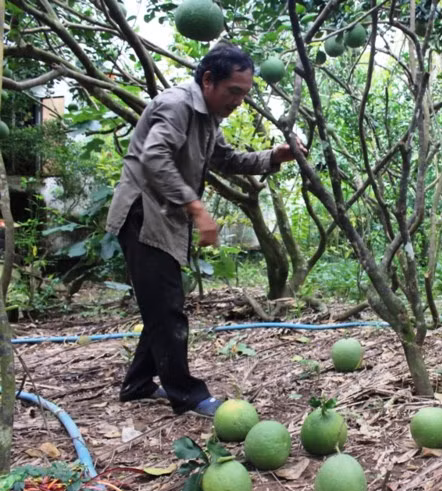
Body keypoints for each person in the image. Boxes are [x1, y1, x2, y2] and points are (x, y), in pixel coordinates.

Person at [106, 43, 306, 417]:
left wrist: (274, 156)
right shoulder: (177, 104)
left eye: (245, 95)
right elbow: (154, 157)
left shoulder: (208, 118)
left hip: (164, 216)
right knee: (167, 307)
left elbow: (226, 160)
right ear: (209, 80)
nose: (239, 103)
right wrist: (197, 208)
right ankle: (187, 394)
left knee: (162, 303)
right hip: (143, 214)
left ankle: (136, 384)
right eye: (234, 92)